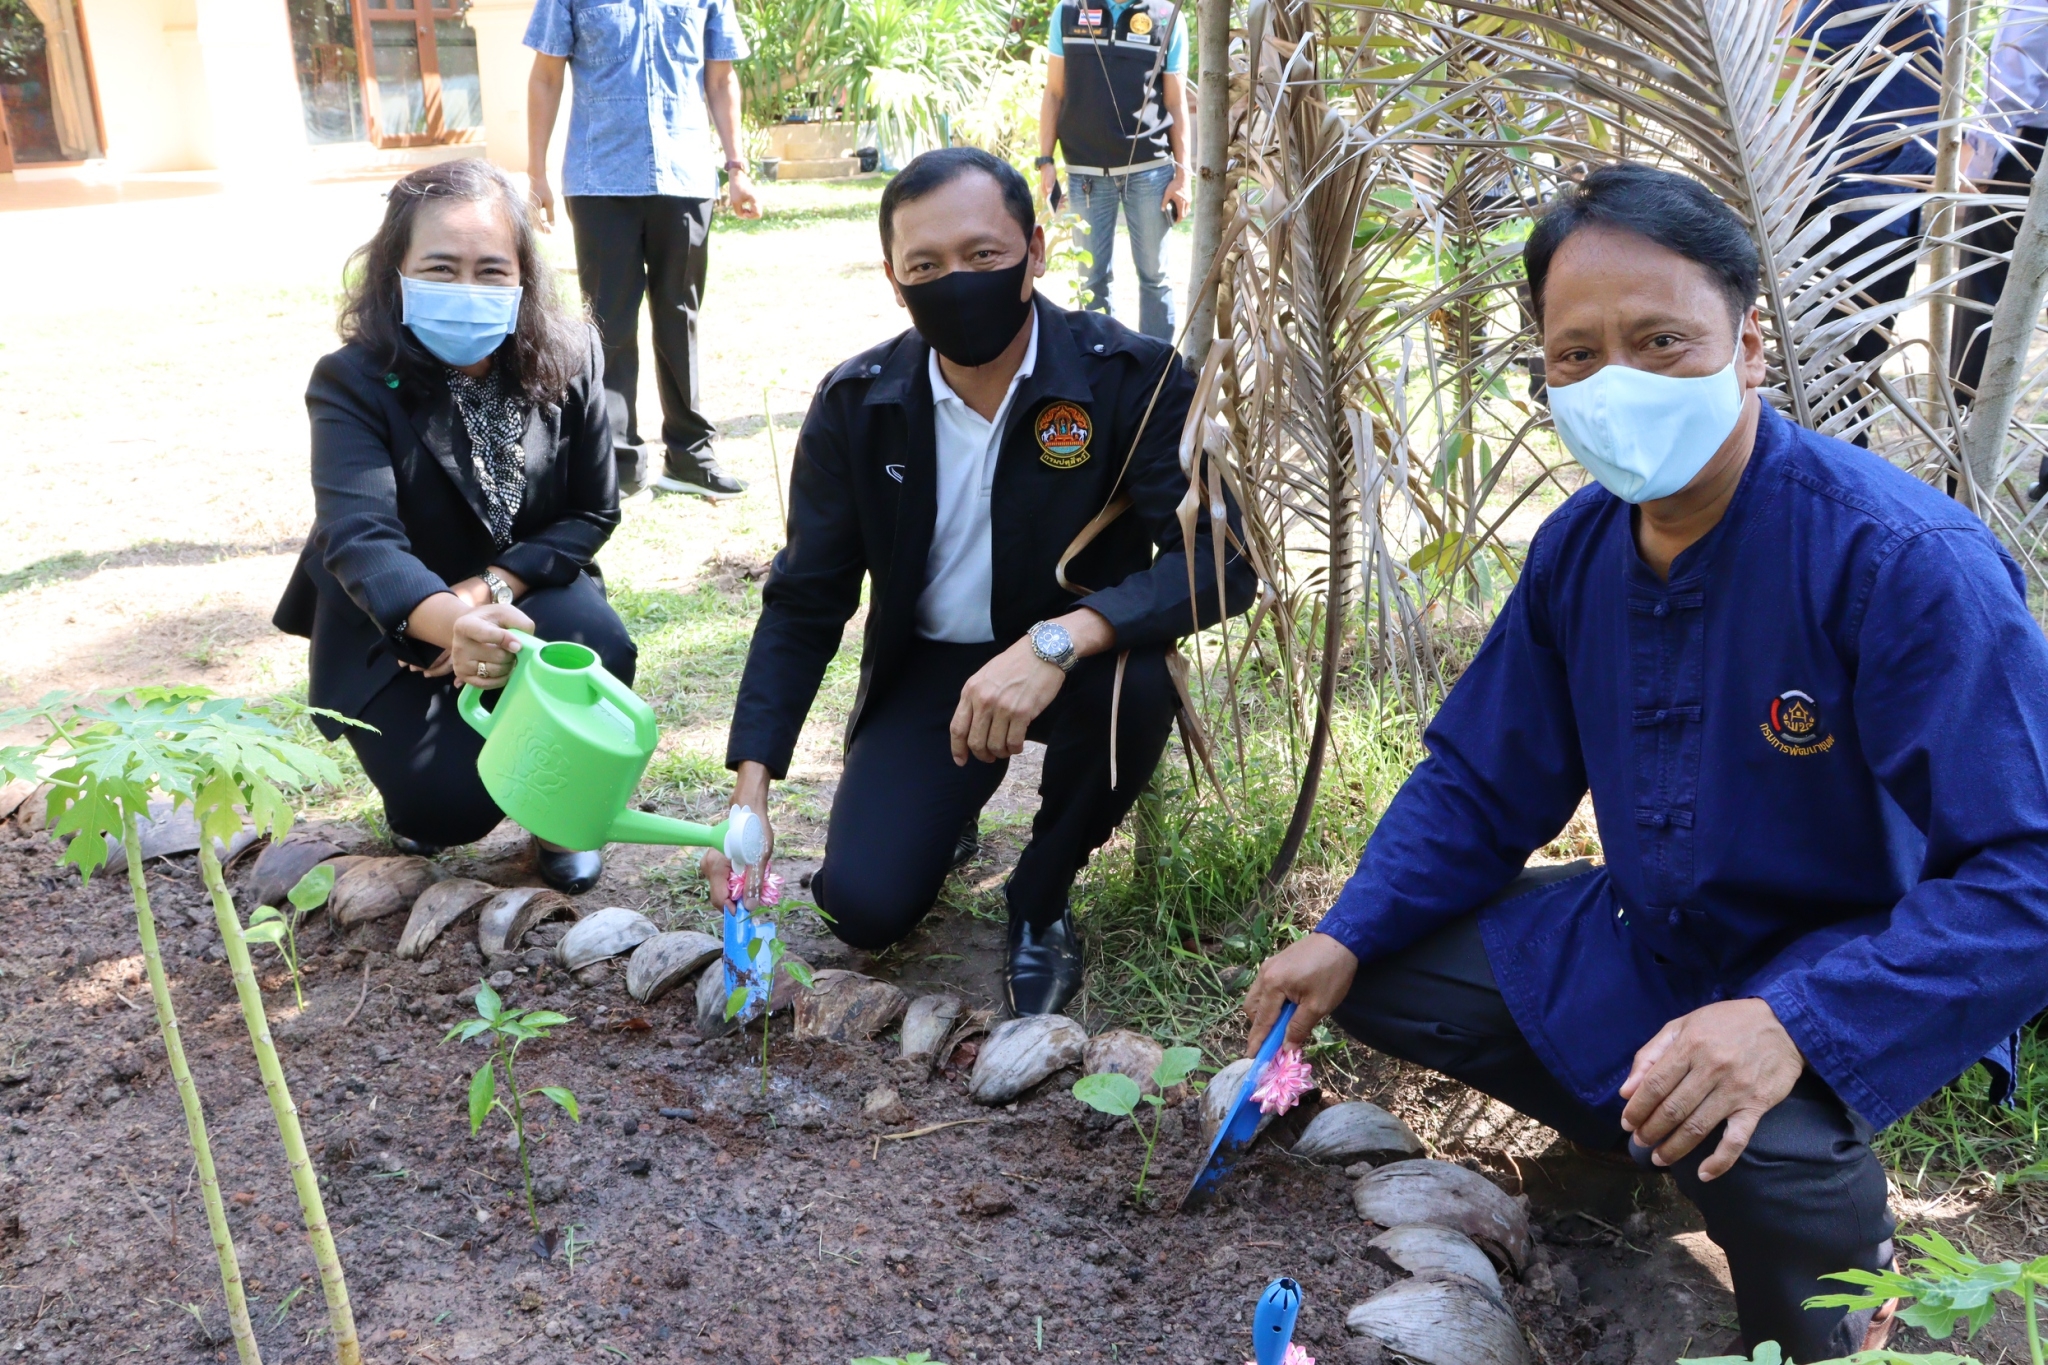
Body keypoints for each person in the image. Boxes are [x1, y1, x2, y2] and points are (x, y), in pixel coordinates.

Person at [1242, 164, 2048, 1360]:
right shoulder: (1579, 547)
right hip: (1657, 931)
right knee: (1386, 969)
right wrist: (1347, 929)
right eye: (1574, 356)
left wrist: (1792, 1022)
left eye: (1659, 340)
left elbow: (2028, 868)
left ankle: (1828, 1253)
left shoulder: (1892, 561)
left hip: (1847, 952)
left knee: (1773, 1162)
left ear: (1748, 344)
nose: (1613, 383)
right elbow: (1481, 777)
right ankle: (1655, 1129)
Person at [703, 148, 1254, 1016]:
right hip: (930, 669)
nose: (955, 281)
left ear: (1035, 249)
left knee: (1139, 684)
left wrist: (1064, 637)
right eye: (926, 266)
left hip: (1077, 656)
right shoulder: (858, 404)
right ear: (894, 280)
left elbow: (1224, 562)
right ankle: (945, 816)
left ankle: (1039, 895)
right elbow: (807, 598)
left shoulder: (1130, 380)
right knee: (863, 907)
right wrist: (751, 789)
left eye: (983, 256)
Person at [273, 158, 636, 895]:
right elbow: (359, 536)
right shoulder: (352, 381)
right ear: (395, 272)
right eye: (440, 268)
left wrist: (484, 595)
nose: (467, 289)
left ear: (524, 278)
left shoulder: (572, 355)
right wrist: (445, 622)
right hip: (393, 625)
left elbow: (593, 509)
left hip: (529, 597)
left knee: (596, 644)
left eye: (491, 269)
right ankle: (431, 786)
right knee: (446, 811)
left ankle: (560, 817)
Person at [524, 0, 759, 501]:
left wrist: (736, 168)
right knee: (609, 320)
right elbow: (546, 76)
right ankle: (616, 462)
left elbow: (719, 80)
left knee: (681, 314)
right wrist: (536, 172)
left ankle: (691, 456)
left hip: (686, 173)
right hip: (599, 178)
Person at [1793, 0, 1945, 446]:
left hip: (1887, 195)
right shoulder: (1853, 5)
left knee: (1854, 357)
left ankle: (1844, 462)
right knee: (1834, 361)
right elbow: (1794, 80)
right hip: (1852, 199)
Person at [1036, 0, 1191, 340]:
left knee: (1154, 277)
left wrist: (1183, 175)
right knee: (1091, 278)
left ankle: (1158, 370)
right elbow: (1054, 93)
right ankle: (1102, 363)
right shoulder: (1067, 13)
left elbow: (1176, 103)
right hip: (1085, 174)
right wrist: (1045, 161)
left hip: (1151, 171)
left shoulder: (1167, 17)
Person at [1951, 0, 2048, 428]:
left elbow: (2012, 85)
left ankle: (1966, 467)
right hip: (2027, 152)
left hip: (2025, 157)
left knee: (1984, 309)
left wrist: (1980, 170)